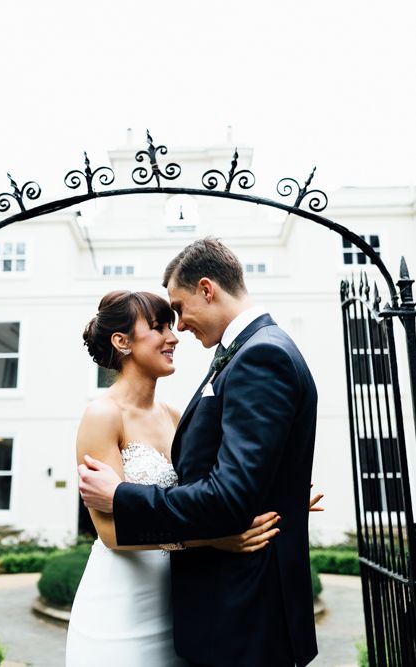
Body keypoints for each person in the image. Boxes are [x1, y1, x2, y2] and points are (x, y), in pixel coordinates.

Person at [78, 238, 320, 666]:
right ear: (122, 342)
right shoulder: (101, 414)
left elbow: (225, 489)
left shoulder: (247, 360)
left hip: (199, 601)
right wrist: (215, 535)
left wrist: (277, 496)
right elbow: (112, 533)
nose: (178, 332)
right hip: (131, 600)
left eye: (177, 313)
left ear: (207, 289)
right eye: (161, 325)